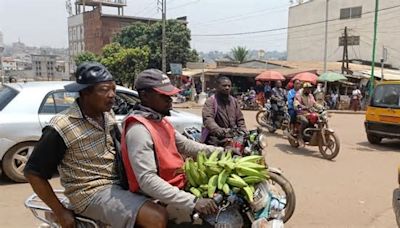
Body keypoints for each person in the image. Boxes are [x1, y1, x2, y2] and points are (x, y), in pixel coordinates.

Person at [24, 62, 167, 228]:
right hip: (90, 193)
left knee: (170, 201)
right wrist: (60, 211)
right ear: (85, 92)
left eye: (113, 89)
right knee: (156, 217)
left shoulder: (106, 115)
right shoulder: (62, 126)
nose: (112, 95)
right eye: (104, 90)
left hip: (117, 184)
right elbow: (33, 172)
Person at [121, 69, 219, 225]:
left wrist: (222, 152)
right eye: (163, 96)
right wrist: (193, 201)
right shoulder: (138, 130)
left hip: (179, 186)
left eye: (170, 95)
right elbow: (147, 180)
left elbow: (186, 145)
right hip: (158, 197)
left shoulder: (160, 121)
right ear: (144, 96)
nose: (170, 100)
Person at [201, 76, 247, 146]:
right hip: (216, 138)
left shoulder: (234, 101)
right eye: (224, 86)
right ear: (217, 87)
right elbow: (208, 119)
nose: (227, 88)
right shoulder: (211, 101)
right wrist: (219, 130)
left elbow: (240, 119)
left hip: (233, 136)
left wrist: (243, 130)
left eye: (229, 86)